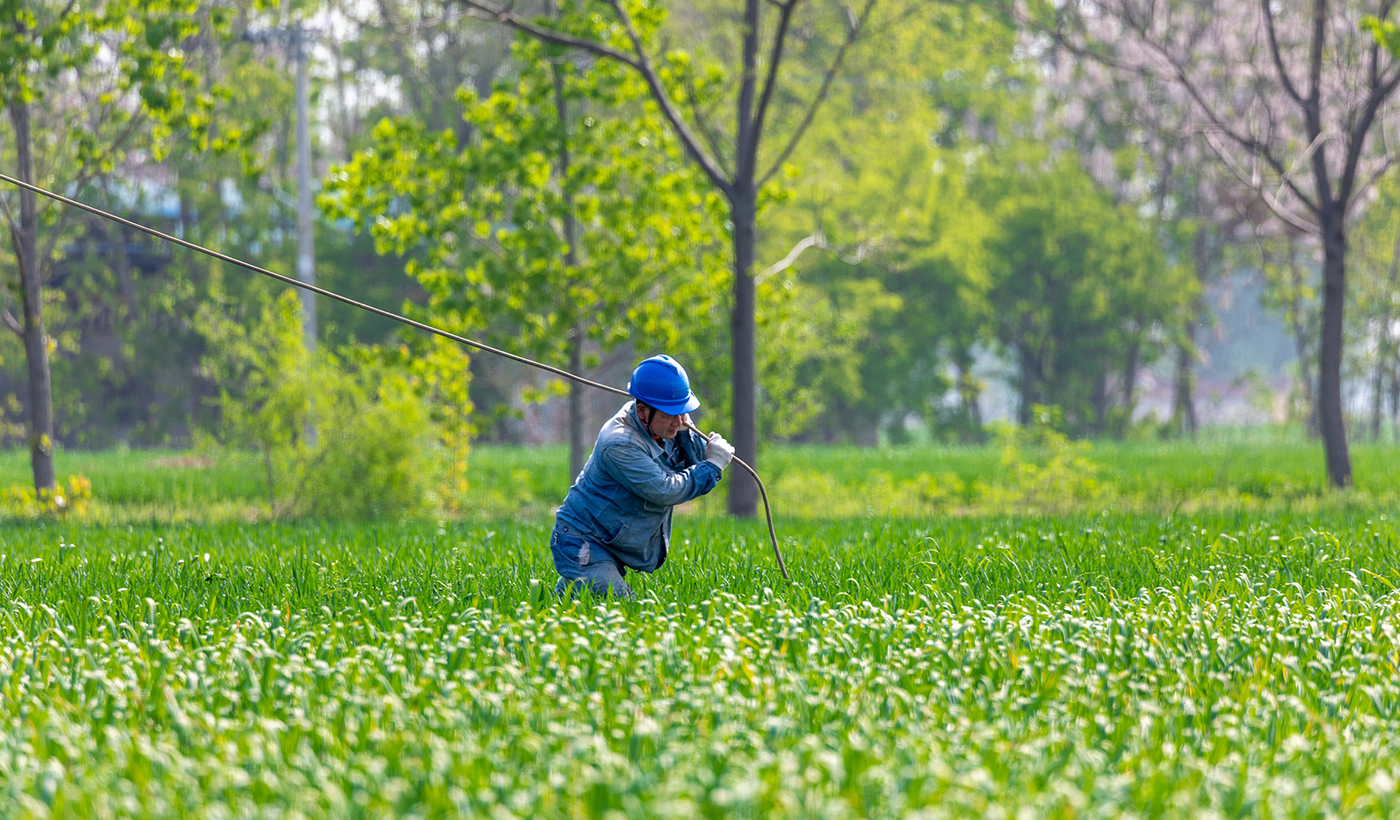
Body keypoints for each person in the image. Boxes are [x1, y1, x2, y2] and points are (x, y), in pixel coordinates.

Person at [551, 354, 734, 598]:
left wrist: (704, 449)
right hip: (582, 542)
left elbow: (688, 460)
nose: (680, 421)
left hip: (612, 541)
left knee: (571, 608)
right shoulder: (619, 443)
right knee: (623, 609)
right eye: (671, 414)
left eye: (684, 411)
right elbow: (665, 490)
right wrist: (712, 467)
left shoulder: (664, 422)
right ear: (642, 411)